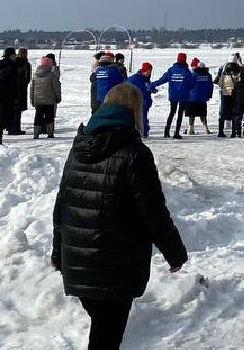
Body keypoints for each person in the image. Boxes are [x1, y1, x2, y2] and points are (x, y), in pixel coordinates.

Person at [51, 82, 188, 350]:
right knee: (107, 336)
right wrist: (175, 253)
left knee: (103, 331)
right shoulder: (134, 152)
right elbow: (152, 210)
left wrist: (59, 252)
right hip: (117, 263)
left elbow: (62, 205)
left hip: (78, 259)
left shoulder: (79, 146)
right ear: (135, 111)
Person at [152, 53, 193, 139]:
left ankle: (166, 132)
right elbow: (191, 85)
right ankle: (176, 133)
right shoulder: (187, 71)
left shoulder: (171, 70)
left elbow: (162, 80)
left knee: (172, 113)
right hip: (183, 96)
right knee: (180, 114)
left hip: (173, 95)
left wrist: (152, 84)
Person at [29, 53, 62, 139]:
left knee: (38, 116)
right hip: (49, 100)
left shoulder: (35, 75)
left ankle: (36, 134)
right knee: (50, 116)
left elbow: (31, 88)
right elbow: (56, 88)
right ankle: (50, 133)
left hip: (38, 100)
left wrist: (32, 100)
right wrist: (58, 97)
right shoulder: (52, 75)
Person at [214, 58, 241, 138]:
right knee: (234, 114)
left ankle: (220, 131)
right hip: (234, 95)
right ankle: (233, 132)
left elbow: (219, 84)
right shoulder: (236, 73)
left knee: (223, 114)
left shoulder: (224, 75)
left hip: (225, 95)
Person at [186, 59, 214, 134]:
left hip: (192, 97)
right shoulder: (208, 75)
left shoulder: (193, 75)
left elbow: (188, 85)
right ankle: (206, 129)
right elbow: (210, 86)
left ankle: (190, 129)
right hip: (203, 98)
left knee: (191, 114)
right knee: (203, 114)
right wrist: (209, 95)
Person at [127, 62, 155, 137]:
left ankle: (144, 132)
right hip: (138, 102)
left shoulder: (146, 79)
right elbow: (126, 85)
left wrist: (152, 89)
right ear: (144, 70)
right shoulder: (135, 78)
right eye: (149, 71)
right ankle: (142, 132)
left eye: (150, 71)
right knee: (140, 118)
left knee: (143, 118)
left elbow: (147, 88)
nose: (150, 73)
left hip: (146, 102)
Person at [9, 47, 32, 135]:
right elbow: (27, 78)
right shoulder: (26, 64)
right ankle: (16, 129)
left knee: (13, 110)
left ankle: (11, 127)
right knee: (18, 111)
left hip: (12, 89)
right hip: (21, 90)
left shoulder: (14, 62)